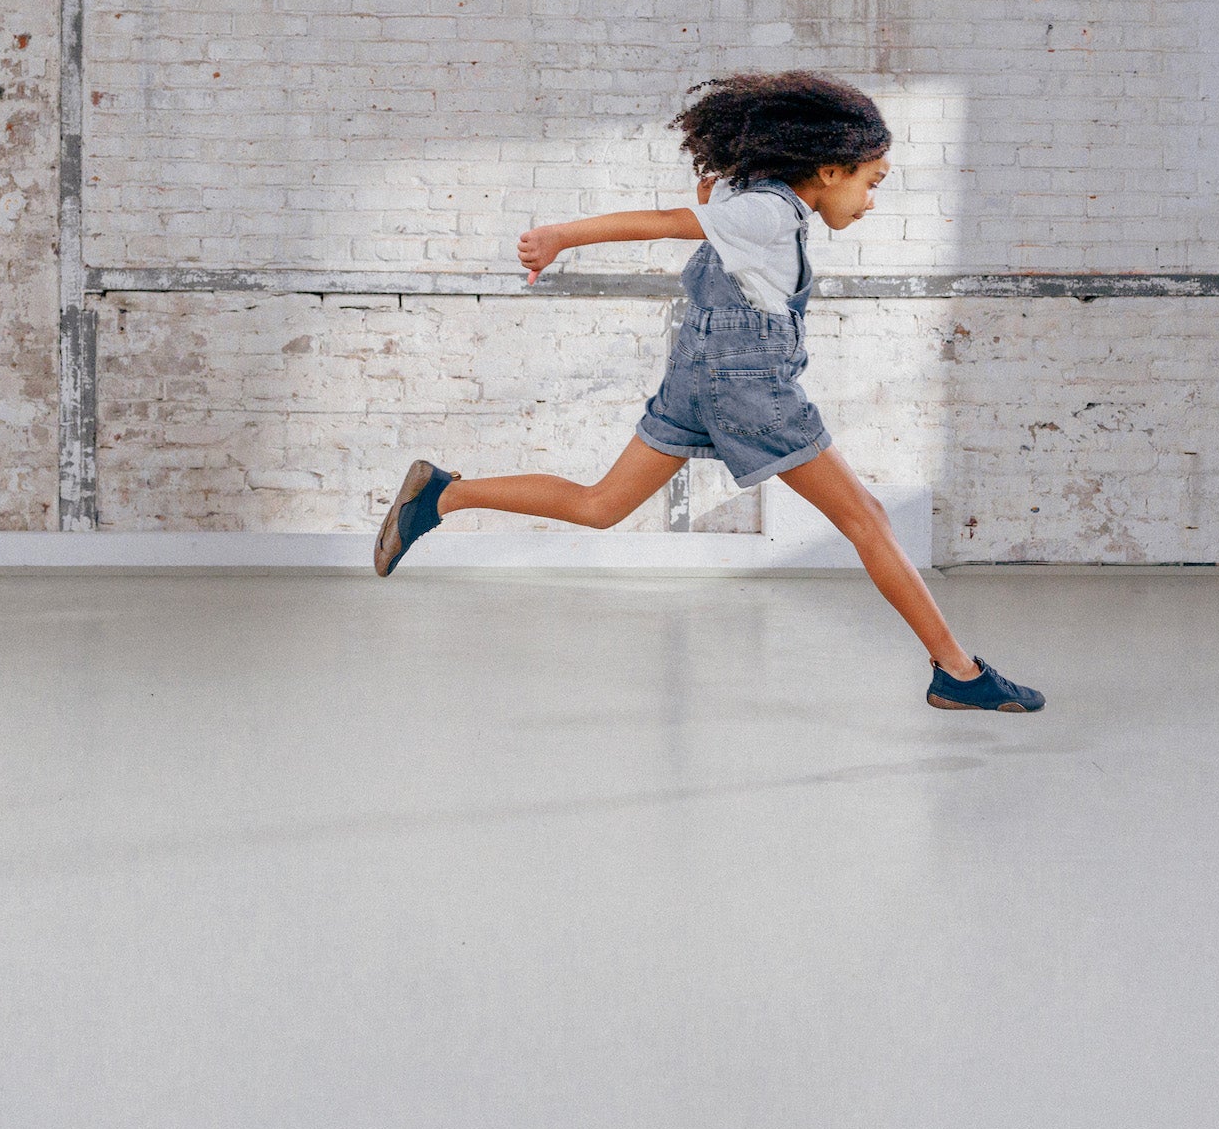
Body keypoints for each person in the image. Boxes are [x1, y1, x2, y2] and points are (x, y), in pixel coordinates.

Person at [372, 71, 1044, 714]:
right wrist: (559, 238)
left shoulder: (749, 196)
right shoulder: (767, 213)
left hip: (697, 371)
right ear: (831, 169)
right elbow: (668, 218)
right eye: (873, 183)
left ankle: (444, 492)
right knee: (868, 518)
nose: (872, 202)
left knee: (602, 504)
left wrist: (714, 189)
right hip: (746, 383)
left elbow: (702, 196)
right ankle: (959, 674)